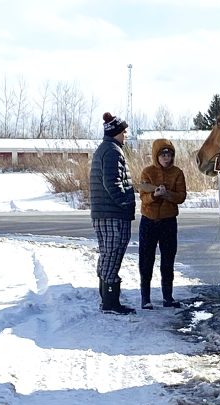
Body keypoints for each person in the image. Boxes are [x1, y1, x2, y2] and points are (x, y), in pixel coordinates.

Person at [90, 112, 137, 314]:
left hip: (105, 213)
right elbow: (112, 183)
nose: (125, 135)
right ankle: (110, 302)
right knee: (112, 253)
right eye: (124, 131)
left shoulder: (107, 149)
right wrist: (125, 202)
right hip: (112, 214)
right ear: (116, 132)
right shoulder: (112, 152)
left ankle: (108, 299)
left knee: (108, 253)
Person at [137, 139, 187, 309]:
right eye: (163, 154)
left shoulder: (177, 173)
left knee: (168, 261)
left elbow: (181, 197)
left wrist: (167, 195)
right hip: (149, 221)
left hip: (168, 222)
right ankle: (146, 298)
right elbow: (143, 196)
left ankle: (168, 297)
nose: (166, 158)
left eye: (169, 154)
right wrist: (154, 196)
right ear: (156, 156)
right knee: (146, 260)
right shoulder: (147, 172)